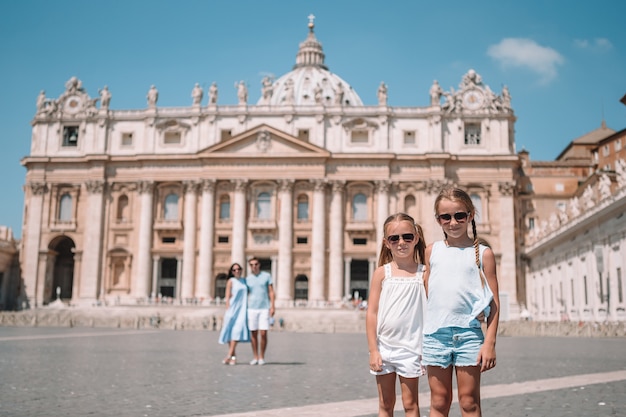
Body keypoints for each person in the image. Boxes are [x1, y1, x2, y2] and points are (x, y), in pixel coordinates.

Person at [422, 186, 500, 417]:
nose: (453, 222)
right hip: (435, 335)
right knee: (439, 402)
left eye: (460, 216)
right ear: (438, 220)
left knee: (469, 403)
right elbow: (429, 292)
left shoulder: (484, 253)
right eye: (445, 217)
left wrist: (490, 343)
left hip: (469, 336)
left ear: (470, 215)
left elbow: (494, 303)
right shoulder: (431, 251)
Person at [366, 213, 427, 417]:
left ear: (416, 238)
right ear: (386, 243)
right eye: (394, 238)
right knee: (385, 403)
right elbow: (372, 313)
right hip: (384, 347)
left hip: (411, 348)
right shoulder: (382, 273)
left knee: (411, 404)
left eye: (407, 237)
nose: (401, 243)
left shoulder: (424, 273)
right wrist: (373, 350)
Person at [218, 263, 250, 365]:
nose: (237, 271)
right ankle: (233, 357)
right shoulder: (230, 281)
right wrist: (228, 309)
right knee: (230, 331)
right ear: (231, 272)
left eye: (239, 269)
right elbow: (227, 296)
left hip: (242, 310)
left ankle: (229, 355)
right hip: (232, 309)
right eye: (234, 270)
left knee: (237, 331)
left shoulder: (245, 281)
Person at [246, 257, 275, 365]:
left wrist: (272, 306)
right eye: (252, 265)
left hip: (264, 308)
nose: (254, 266)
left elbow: (271, 292)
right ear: (250, 266)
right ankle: (255, 356)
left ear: (259, 265)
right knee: (253, 333)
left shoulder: (267, 276)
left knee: (263, 333)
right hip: (251, 308)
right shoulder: (248, 279)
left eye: (256, 264)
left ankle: (262, 356)